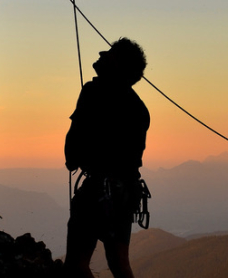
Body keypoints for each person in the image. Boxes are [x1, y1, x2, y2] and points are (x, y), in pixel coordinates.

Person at [63, 38, 150, 278]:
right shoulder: (139, 108)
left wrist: (74, 159)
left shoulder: (93, 92)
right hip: (124, 193)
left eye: (109, 53)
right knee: (120, 264)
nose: (102, 53)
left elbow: (73, 148)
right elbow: (130, 157)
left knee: (77, 265)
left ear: (117, 65)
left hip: (97, 191)